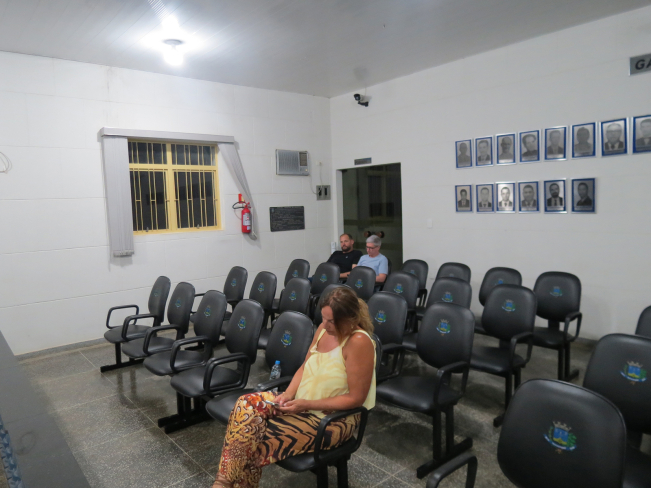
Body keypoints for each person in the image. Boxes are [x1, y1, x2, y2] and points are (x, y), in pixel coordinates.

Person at [212, 287, 376, 488]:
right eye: (323, 318)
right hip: (302, 403)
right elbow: (305, 366)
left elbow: (356, 398)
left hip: (332, 420)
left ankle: (223, 484)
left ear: (350, 319)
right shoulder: (323, 330)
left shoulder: (359, 342)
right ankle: (224, 483)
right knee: (245, 403)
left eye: (332, 321)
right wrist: (288, 395)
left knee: (250, 439)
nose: (325, 325)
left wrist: (305, 404)